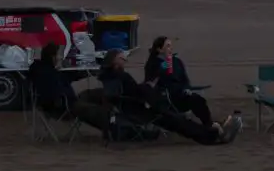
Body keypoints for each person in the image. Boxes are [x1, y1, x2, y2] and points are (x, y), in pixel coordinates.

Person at [103, 48, 241, 145]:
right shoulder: (121, 76)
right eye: (122, 58)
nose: (125, 61)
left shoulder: (111, 77)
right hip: (142, 110)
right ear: (115, 61)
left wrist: (146, 89)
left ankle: (213, 131)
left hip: (141, 107)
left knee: (179, 121)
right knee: (178, 122)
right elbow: (131, 93)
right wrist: (147, 89)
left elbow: (127, 93)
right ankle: (214, 135)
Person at [144, 36, 222, 131]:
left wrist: (186, 89)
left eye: (171, 46)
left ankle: (209, 125)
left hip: (181, 95)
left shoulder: (177, 61)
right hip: (166, 98)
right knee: (193, 100)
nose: (171, 48)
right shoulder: (153, 64)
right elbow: (151, 80)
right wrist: (165, 64)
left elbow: (185, 80)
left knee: (197, 100)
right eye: (167, 46)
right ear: (159, 49)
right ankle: (209, 128)